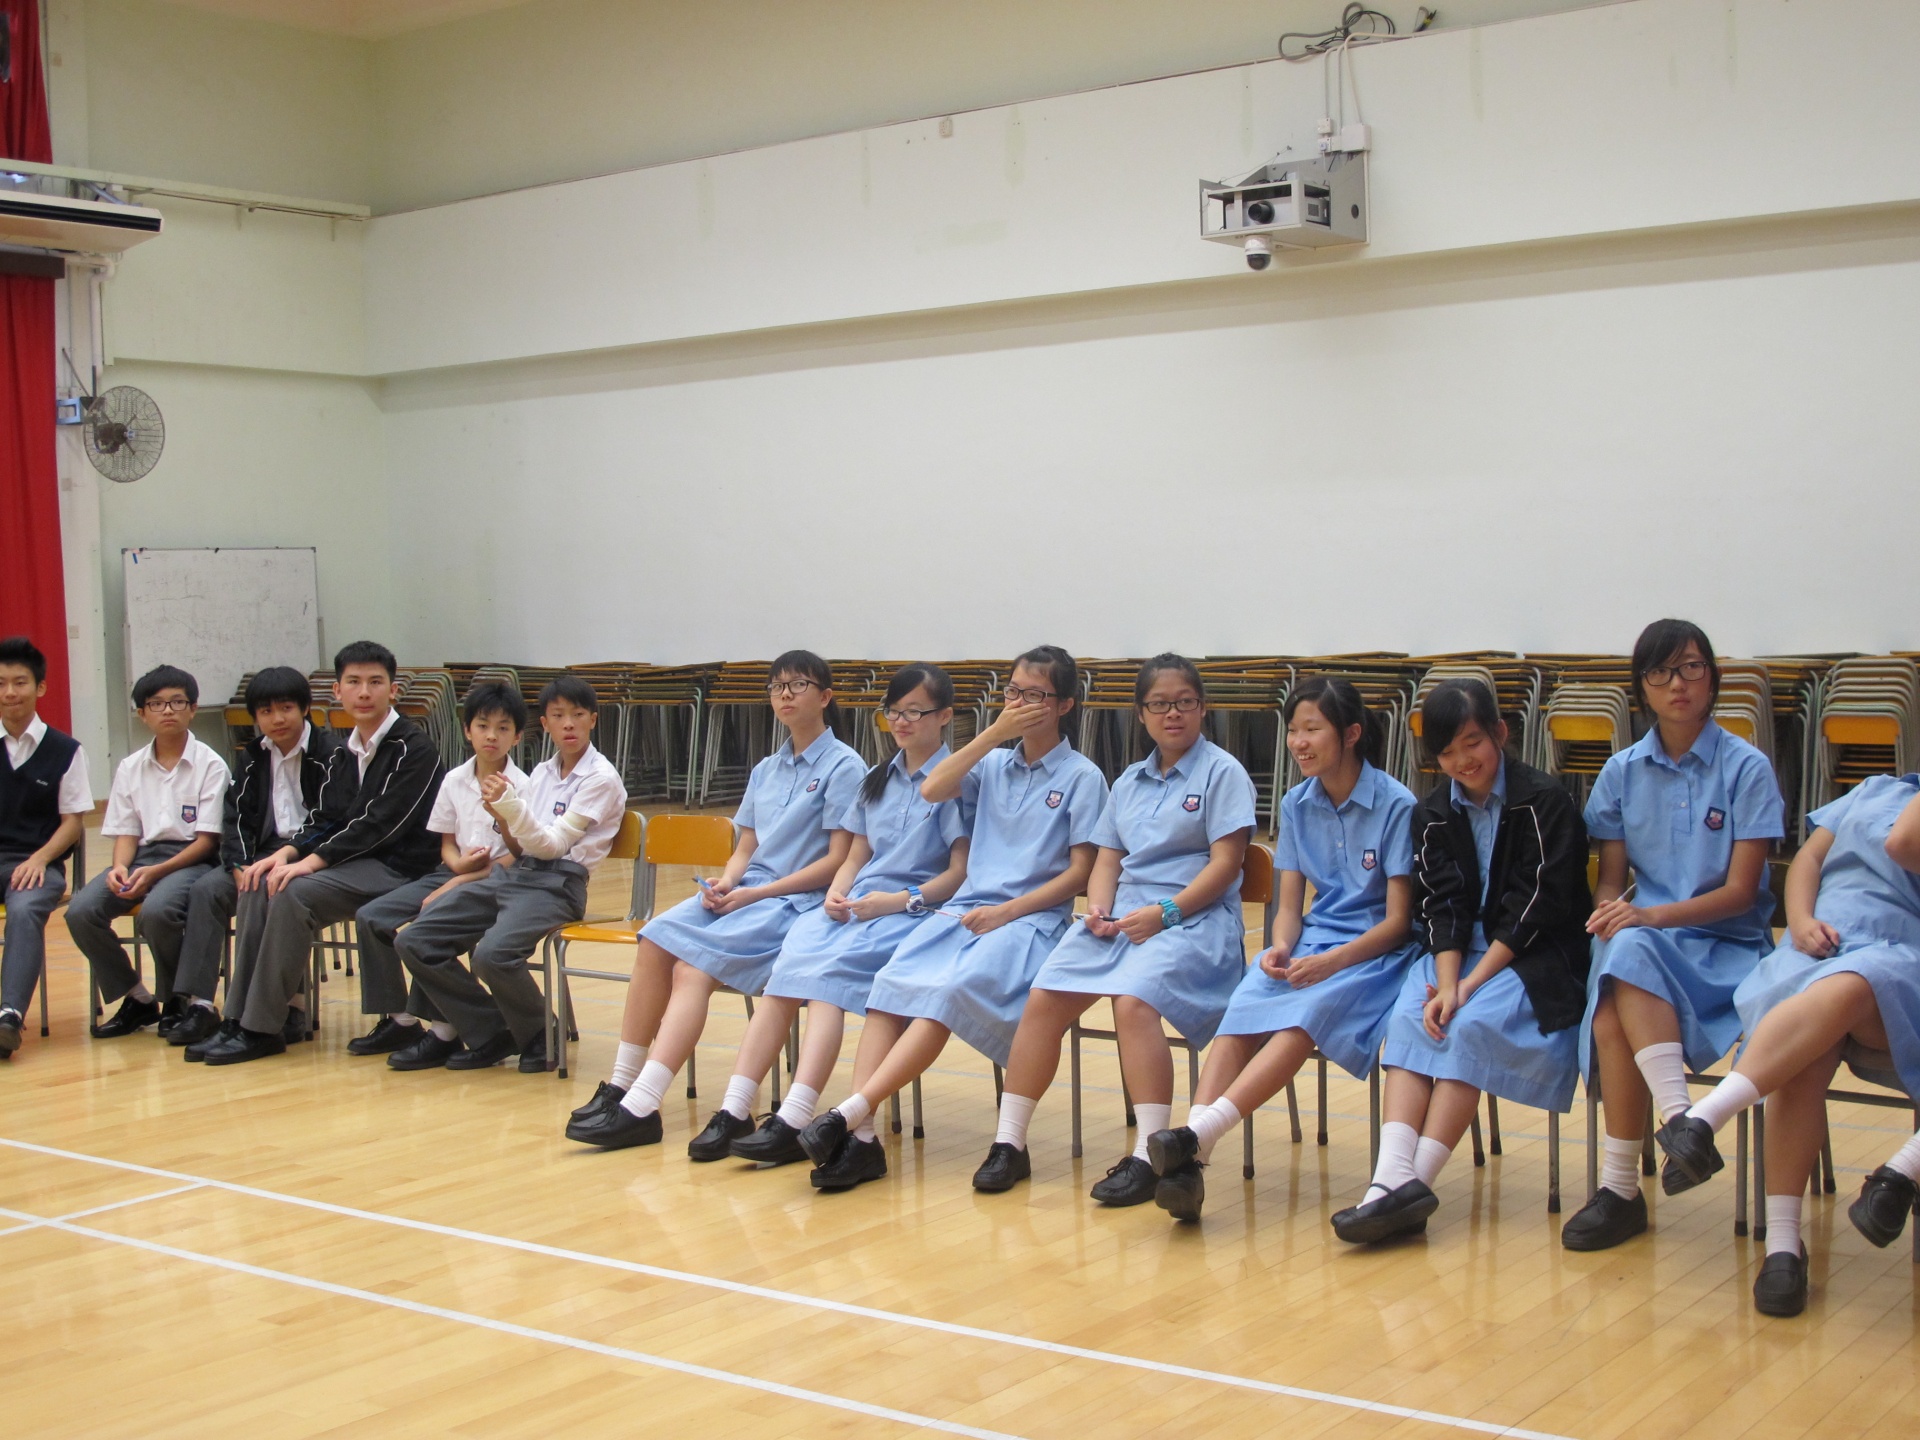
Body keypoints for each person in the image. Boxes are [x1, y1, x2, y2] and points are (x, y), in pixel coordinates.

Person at [795, 645, 1108, 1192]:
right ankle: (862, 1139)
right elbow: (933, 787)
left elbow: (1081, 872)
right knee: (889, 988)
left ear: (1064, 705)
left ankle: (850, 1112)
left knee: (945, 993)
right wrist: (995, 733)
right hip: (963, 913)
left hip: (1028, 921)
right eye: (1013, 692)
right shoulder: (992, 763)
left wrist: (1007, 911)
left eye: (1035, 695)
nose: (1021, 703)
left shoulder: (1083, 777)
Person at [974, 654, 1254, 1205]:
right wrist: (1099, 909)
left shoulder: (1223, 773)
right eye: (1159, 704)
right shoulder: (1129, 780)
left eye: (1184, 702)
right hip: (1124, 920)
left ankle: (1152, 1154)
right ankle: (1010, 1143)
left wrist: (1166, 912)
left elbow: (1226, 865)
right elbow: (1108, 858)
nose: (1172, 714)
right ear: (1141, 714)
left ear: (1202, 708)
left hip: (1193, 920)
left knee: (1132, 1000)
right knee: (1045, 993)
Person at [1144, 676, 1418, 1222]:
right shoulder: (1296, 803)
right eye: (1293, 730)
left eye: (1312, 729)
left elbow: (1397, 922)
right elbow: (1290, 905)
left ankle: (1198, 1136)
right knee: (1243, 1008)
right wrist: (1280, 946)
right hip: (1313, 943)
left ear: (1351, 734)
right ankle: (1192, 1160)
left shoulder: (1397, 804)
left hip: (1374, 956)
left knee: (1302, 1018)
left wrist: (1331, 961)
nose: (1298, 743)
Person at [1331, 679, 1592, 1243]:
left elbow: (1535, 908)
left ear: (1500, 733)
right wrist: (1448, 982)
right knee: (1410, 1018)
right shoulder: (1431, 813)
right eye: (1447, 752)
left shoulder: (1545, 801)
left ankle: (1411, 1185)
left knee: (1466, 1026)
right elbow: (1441, 906)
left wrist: (1467, 987)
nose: (1461, 761)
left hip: (1532, 955)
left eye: (1472, 743)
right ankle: (1388, 1183)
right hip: (1455, 954)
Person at [566, 651, 861, 1146]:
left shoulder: (845, 766)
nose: (785, 695)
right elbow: (746, 846)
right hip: (749, 891)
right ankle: (621, 1084)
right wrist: (726, 882)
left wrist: (752, 893)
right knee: (654, 938)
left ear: (825, 697)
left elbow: (837, 861)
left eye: (798, 685)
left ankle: (645, 1105)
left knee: (692, 969)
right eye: (777, 687)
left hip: (795, 901)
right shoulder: (766, 768)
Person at [1656, 773, 1920, 1315]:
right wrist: (1798, 921)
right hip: (1815, 949)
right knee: (1804, 1055)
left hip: (1895, 959)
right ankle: (1782, 1246)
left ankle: (1704, 1117)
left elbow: (1902, 844)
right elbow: (1808, 860)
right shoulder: (1874, 788)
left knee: (1853, 982)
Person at [688, 663, 972, 1164]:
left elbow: (958, 874)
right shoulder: (877, 778)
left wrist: (896, 901)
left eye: (914, 712)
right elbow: (856, 855)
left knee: (823, 979)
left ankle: (796, 1116)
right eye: (893, 712)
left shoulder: (955, 785)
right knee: (788, 971)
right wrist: (835, 894)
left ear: (944, 716)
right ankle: (736, 1106)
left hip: (911, 913)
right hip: (856, 907)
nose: (901, 722)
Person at [1561, 619, 1785, 1251]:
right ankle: (1682, 1124)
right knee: (1620, 959)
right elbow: (1612, 882)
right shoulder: (1621, 771)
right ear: (1642, 688)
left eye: (1690, 668)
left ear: (1712, 677)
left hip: (1729, 949)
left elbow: (1742, 894)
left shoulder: (1747, 767)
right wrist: (1611, 912)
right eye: (1660, 672)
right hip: (1646, 944)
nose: (1677, 684)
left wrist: (1644, 918)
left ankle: (1621, 1190)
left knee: (1616, 989)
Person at [195, 641, 443, 1066]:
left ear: (393, 690)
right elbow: (326, 817)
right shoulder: (346, 751)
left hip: (403, 869)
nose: (364, 692)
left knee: (292, 893)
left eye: (375, 682)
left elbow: (378, 825)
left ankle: (262, 1027)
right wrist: (286, 854)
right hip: (356, 864)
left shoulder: (414, 749)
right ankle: (237, 1018)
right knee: (259, 880)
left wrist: (308, 863)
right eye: (354, 682)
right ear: (337, 691)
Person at [398, 675, 626, 1071]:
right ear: (546, 724)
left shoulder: (601, 778)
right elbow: (521, 848)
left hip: (559, 884)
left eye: (577, 715)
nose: (568, 724)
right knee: (415, 939)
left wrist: (510, 809)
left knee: (492, 955)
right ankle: (491, 1031)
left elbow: (553, 846)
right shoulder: (542, 773)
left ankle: (540, 1032)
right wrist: (504, 818)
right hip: (518, 875)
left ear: (593, 719)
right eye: (558, 716)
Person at [348, 678, 530, 1069]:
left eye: (503, 728)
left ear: (517, 737)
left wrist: (459, 880)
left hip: (499, 879)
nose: (491, 736)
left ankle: (445, 1030)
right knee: (371, 916)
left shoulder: (524, 787)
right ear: (467, 730)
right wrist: (456, 866)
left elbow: (519, 857)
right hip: (452, 871)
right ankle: (400, 1019)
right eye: (483, 726)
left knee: (426, 925)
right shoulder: (454, 779)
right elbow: (446, 844)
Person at [166, 666, 336, 1051]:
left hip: (313, 855)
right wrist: (238, 865)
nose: (277, 719)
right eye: (265, 711)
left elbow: (332, 819)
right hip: (260, 853)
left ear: (305, 708)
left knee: (273, 891)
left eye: (286, 708)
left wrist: (289, 859)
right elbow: (235, 817)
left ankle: (288, 1007)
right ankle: (201, 1004)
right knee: (207, 890)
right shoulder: (253, 756)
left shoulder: (331, 754)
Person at [65, 665, 228, 1040]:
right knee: (81, 911)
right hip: (142, 857)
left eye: (177, 702)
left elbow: (207, 841)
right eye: (156, 703)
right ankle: (137, 998)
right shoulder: (130, 766)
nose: (167, 710)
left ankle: (176, 999)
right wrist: (119, 868)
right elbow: (126, 831)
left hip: (192, 859)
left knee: (157, 911)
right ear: (142, 713)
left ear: (192, 709)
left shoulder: (211, 765)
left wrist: (156, 873)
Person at [0, 636, 94, 1057]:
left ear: (39, 687)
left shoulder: (66, 751)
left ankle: (8, 1018)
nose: (9, 692)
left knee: (23, 911)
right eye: (1, 683)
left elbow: (73, 823)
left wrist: (40, 858)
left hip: (38, 863)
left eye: (19, 682)